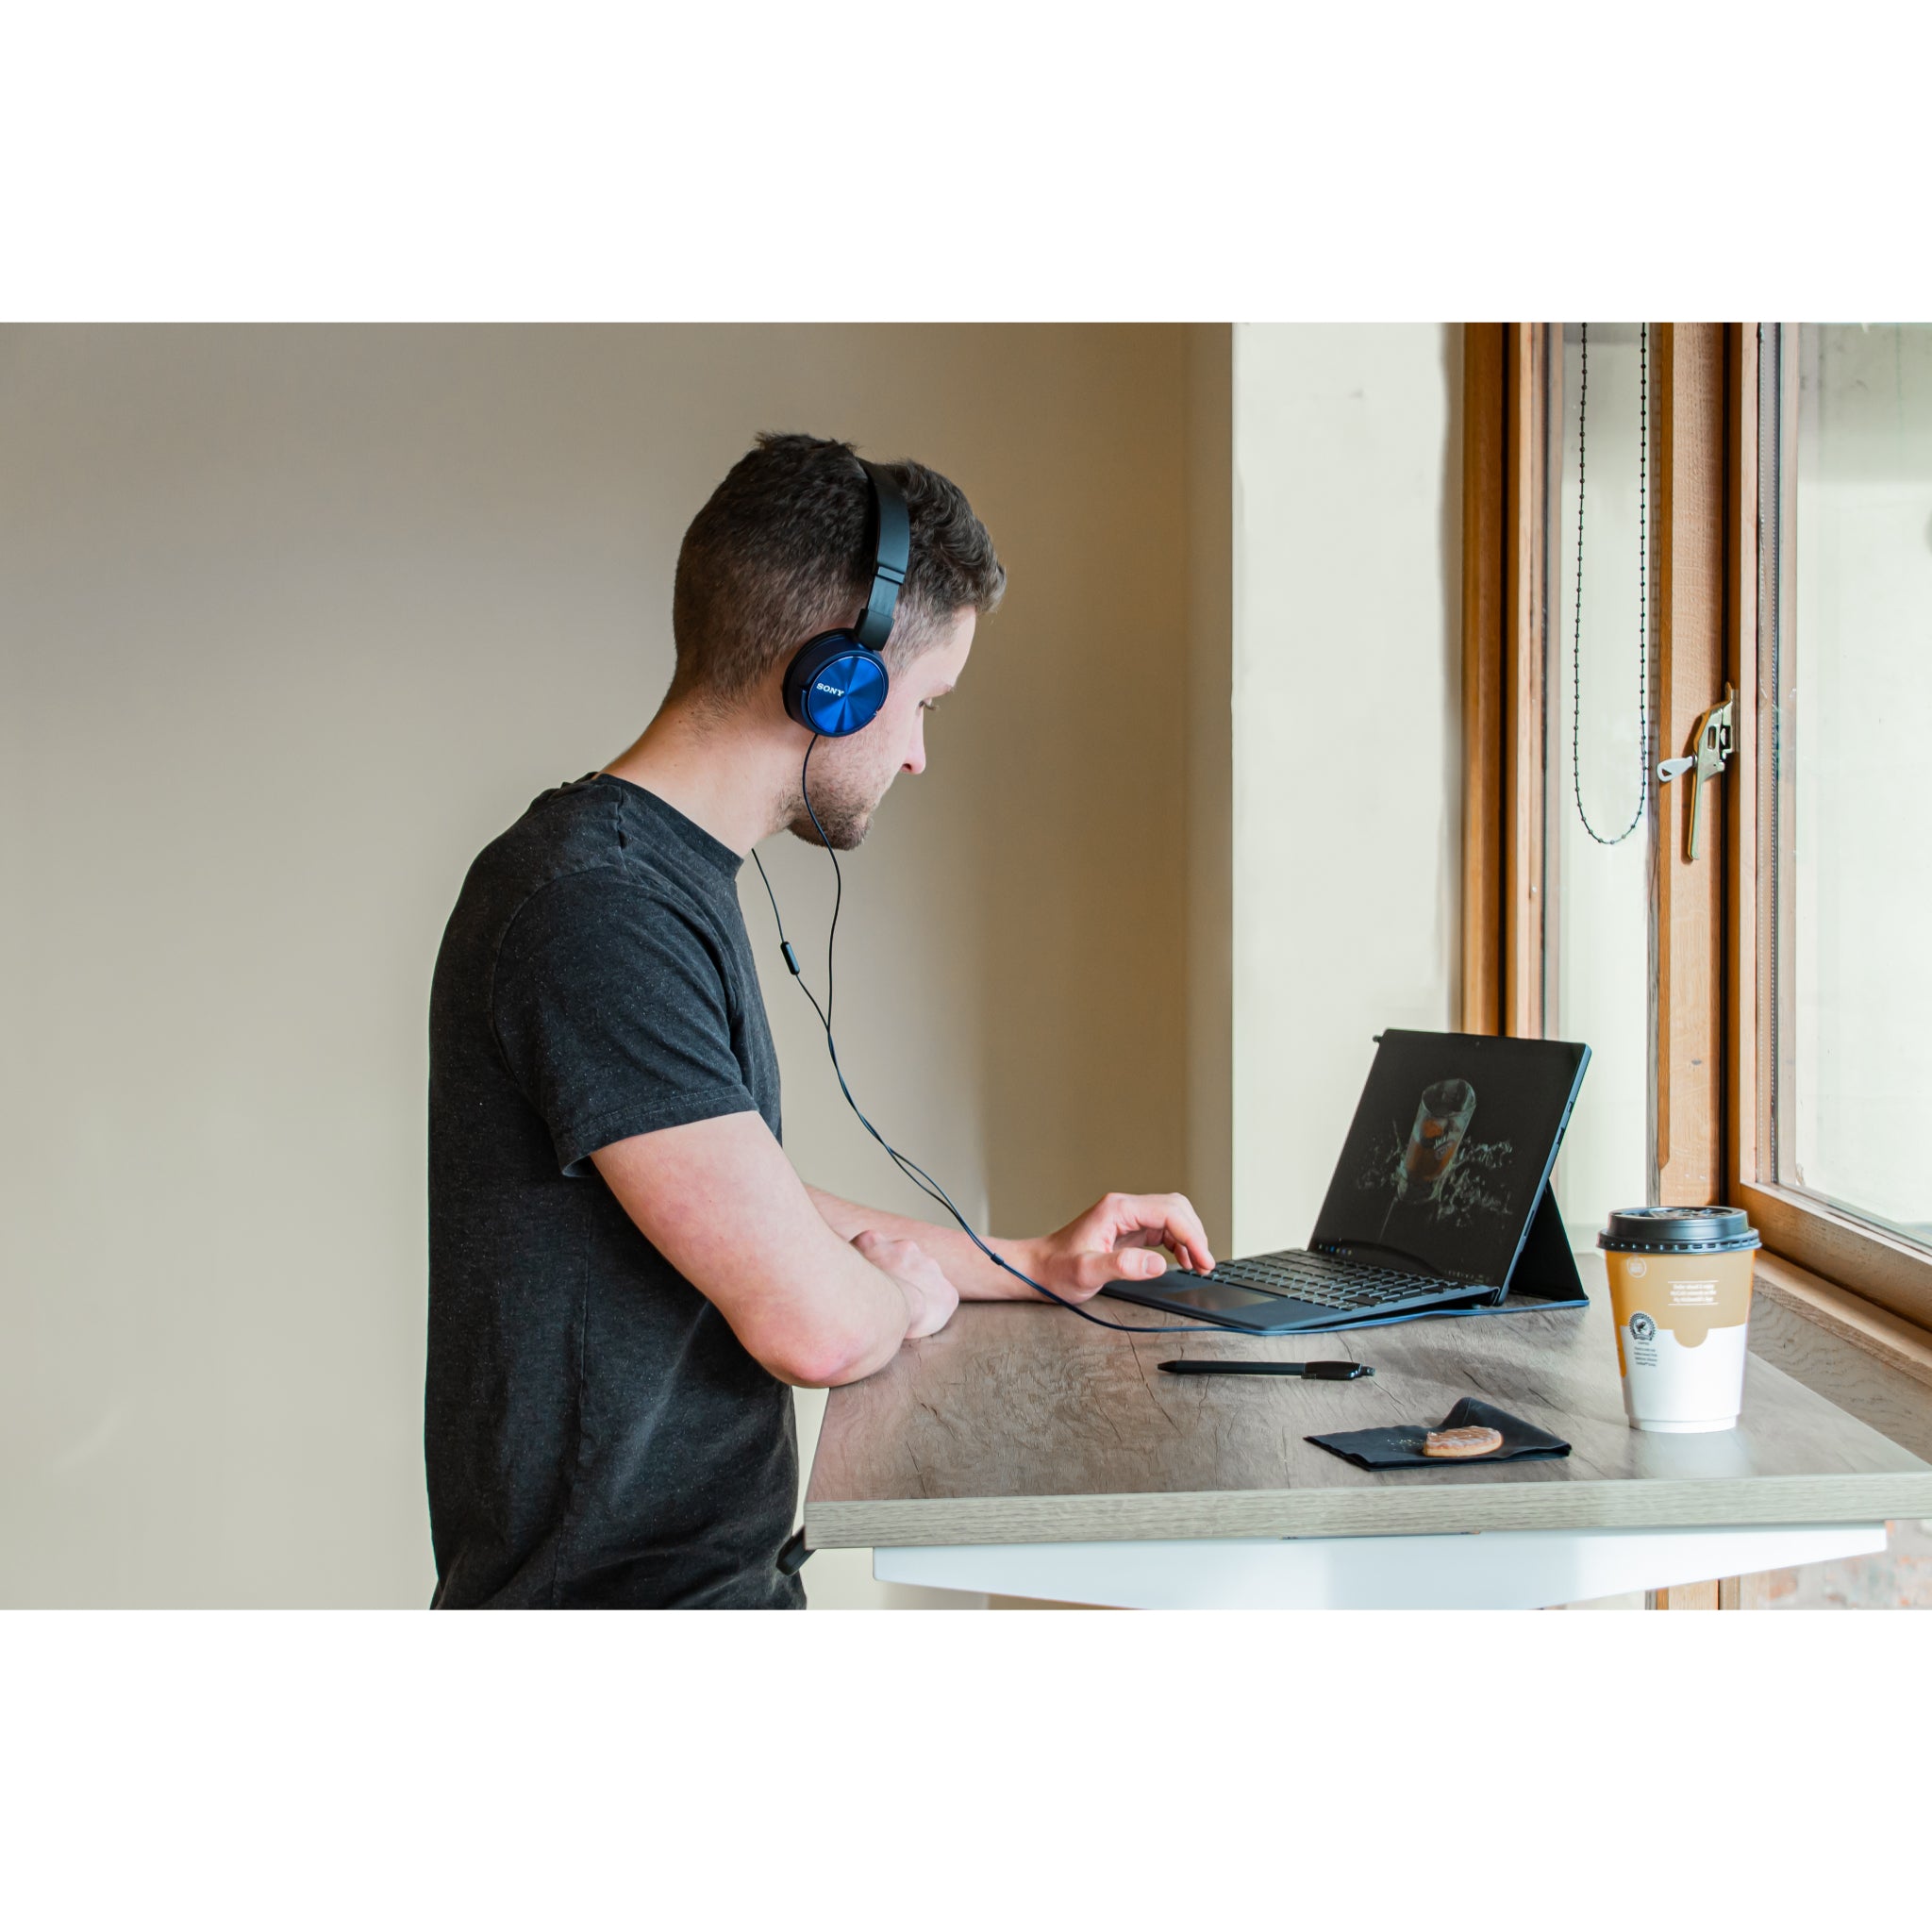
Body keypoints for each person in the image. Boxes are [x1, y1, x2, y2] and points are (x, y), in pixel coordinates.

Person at [425, 431, 1215, 1608]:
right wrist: (903, 1295)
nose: (917, 753)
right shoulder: (592, 911)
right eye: (921, 703)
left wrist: (1031, 1260)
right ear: (830, 677)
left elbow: (752, 1203)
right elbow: (814, 1328)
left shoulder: (644, 883)